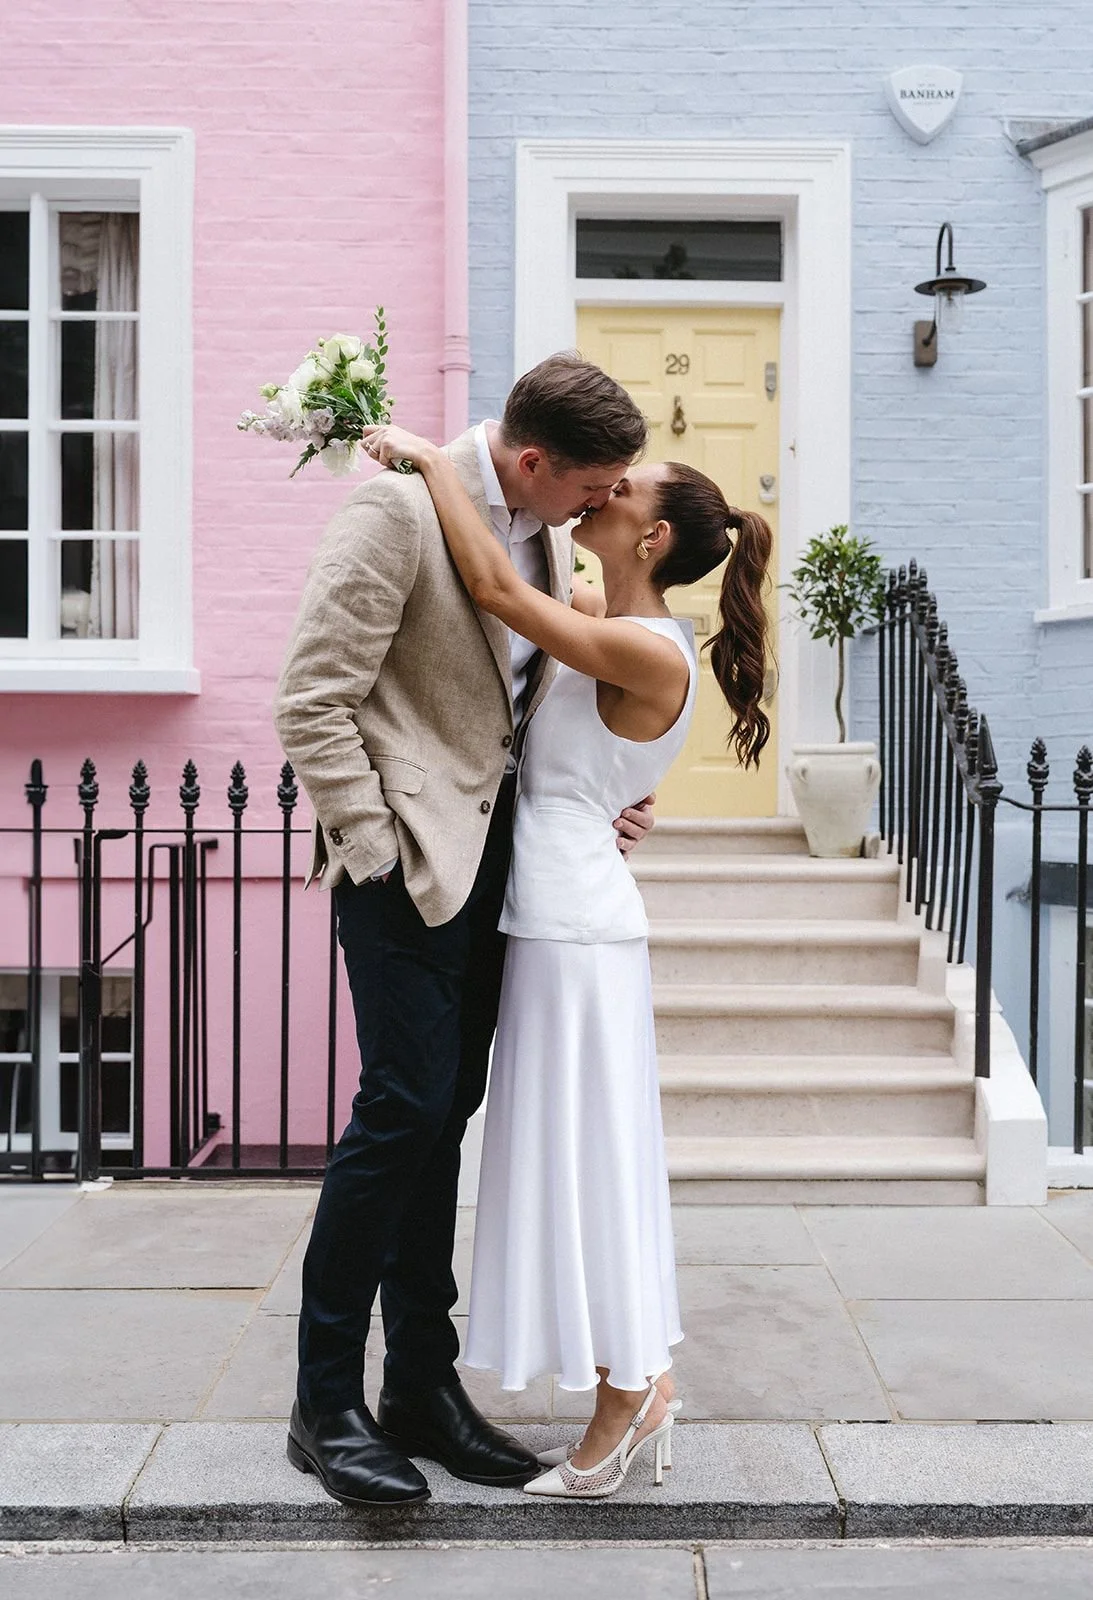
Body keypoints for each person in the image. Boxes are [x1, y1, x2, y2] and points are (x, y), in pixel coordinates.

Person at [360, 417, 772, 1499]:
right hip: (547, 913)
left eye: (627, 489)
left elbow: (496, 591)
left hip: (575, 931)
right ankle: (647, 1375)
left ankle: (622, 1395)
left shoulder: (642, 644)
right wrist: (616, 799)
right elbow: (556, 717)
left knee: (588, 1163)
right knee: (577, 1156)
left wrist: (430, 460)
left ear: (653, 538)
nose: (603, 490)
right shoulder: (603, 615)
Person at [273, 355, 653, 1508]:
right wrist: (375, 847)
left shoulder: (532, 533)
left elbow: (515, 700)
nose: (597, 509)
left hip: (493, 870)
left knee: (444, 1114)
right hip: (403, 867)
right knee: (398, 1110)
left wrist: (597, 795)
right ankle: (323, 1399)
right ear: (534, 462)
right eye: (589, 487)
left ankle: (420, 1389)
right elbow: (311, 696)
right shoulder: (396, 510)